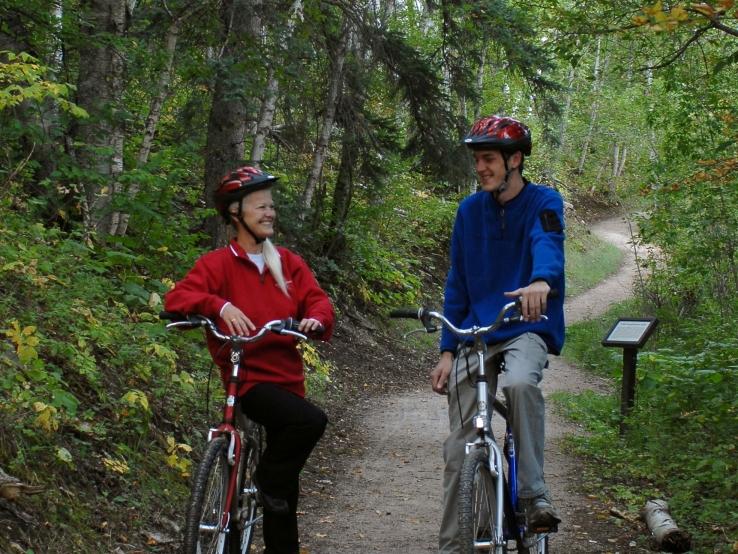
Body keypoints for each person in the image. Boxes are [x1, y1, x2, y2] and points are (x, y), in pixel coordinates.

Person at [165, 166, 335, 554]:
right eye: (260, 206)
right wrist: (218, 305)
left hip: (288, 381)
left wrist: (315, 318)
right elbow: (176, 300)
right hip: (247, 379)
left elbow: (318, 300)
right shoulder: (216, 265)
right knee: (307, 427)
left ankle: (275, 506)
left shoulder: (287, 263)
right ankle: (268, 482)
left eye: (271, 206)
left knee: (282, 491)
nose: (269, 212)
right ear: (236, 213)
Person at [431, 116, 565, 553]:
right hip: (475, 333)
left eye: (488, 159)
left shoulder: (544, 201)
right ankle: (455, 545)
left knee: (522, 383)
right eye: (477, 160)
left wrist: (542, 281)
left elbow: (548, 242)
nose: (481, 167)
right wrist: (448, 349)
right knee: (459, 448)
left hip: (525, 325)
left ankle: (532, 495)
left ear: (515, 159)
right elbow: (458, 281)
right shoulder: (469, 211)